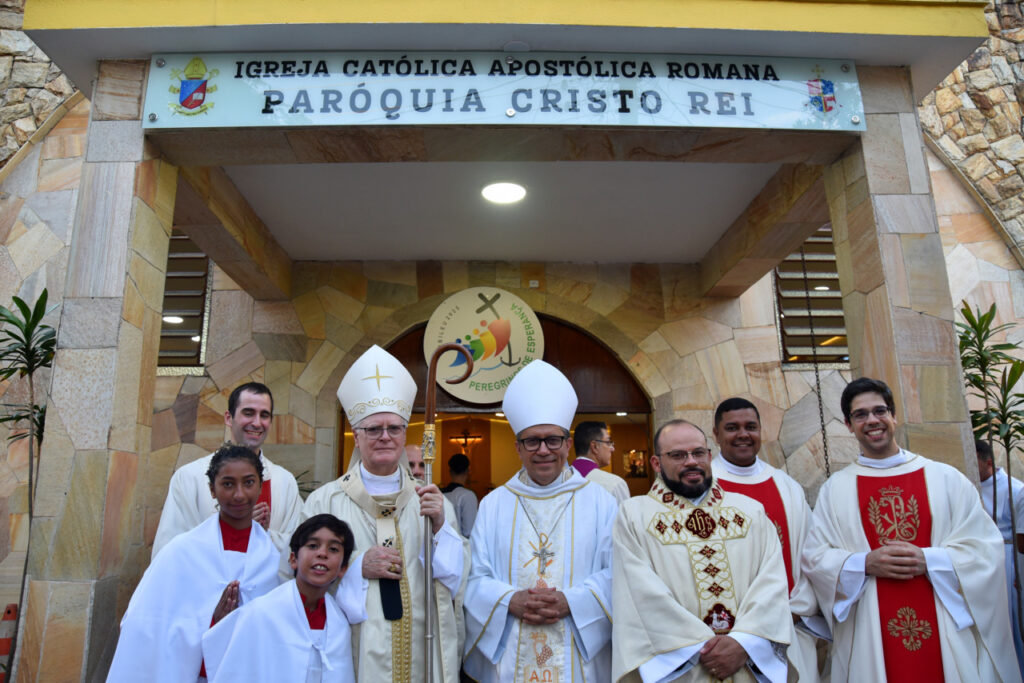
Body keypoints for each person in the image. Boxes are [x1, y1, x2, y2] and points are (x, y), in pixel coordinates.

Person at [803, 377, 1019, 681]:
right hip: (871, 626)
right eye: (860, 415)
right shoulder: (835, 490)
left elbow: (986, 548)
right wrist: (863, 563)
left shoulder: (946, 479)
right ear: (849, 426)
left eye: (880, 411)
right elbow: (814, 557)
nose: (872, 420)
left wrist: (930, 560)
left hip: (943, 621)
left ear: (894, 416)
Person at [301, 344, 468, 683]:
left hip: (421, 645)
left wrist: (439, 529)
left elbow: (456, 579)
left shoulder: (431, 501)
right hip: (354, 647)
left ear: (404, 433)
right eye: (373, 429)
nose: (385, 437)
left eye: (394, 428)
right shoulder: (325, 502)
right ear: (356, 436)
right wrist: (355, 565)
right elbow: (300, 572)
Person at [464, 360, 618, 682]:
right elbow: (474, 577)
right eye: (532, 441)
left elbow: (619, 574)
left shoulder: (601, 501)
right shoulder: (493, 504)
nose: (544, 450)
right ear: (517, 447)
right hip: (510, 655)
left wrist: (571, 602)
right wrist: (509, 600)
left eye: (553, 440)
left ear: (567, 442)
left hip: (578, 655)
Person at [612, 419, 794, 682]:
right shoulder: (634, 516)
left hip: (745, 662)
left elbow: (772, 583)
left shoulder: (749, 510)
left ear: (709, 456)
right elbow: (638, 594)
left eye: (698, 453)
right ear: (656, 463)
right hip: (681, 669)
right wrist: (702, 648)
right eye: (677, 455)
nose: (691, 462)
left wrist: (743, 643)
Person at [108, 445, 280, 682]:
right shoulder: (181, 552)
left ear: (261, 485)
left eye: (249, 482)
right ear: (212, 489)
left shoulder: (274, 559)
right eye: (228, 484)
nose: (239, 494)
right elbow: (147, 622)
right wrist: (212, 624)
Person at [710, 397, 823, 682]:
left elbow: (812, 556)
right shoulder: (702, 486)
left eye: (751, 426)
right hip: (723, 638)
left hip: (785, 628)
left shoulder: (787, 487)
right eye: (732, 428)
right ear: (716, 434)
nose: (743, 435)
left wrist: (795, 612)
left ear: (761, 430)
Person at [152, 382, 303, 556]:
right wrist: (235, 529)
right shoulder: (189, 477)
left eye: (264, 415)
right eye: (248, 413)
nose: (257, 423)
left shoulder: (284, 481)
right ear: (228, 418)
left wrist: (261, 534)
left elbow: (298, 547)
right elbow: (169, 550)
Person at [202, 514, 358, 682]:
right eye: (313, 545)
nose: (322, 553)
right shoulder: (261, 613)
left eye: (333, 549)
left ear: (343, 568)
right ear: (293, 559)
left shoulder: (340, 625)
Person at [977, 439, 1024, 676]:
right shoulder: (968, 486)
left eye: (976, 465)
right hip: (983, 557)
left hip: (1008, 557)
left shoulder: (1014, 489)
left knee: (1014, 618)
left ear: (988, 462)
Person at [571, 420, 630, 503]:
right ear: (595, 447)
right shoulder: (614, 484)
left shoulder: (557, 481)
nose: (612, 449)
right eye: (608, 442)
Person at [441, 453, 478, 538]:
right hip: (461, 547)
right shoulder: (467, 496)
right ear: (468, 470)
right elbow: (470, 531)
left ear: (450, 471)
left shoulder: (440, 494)